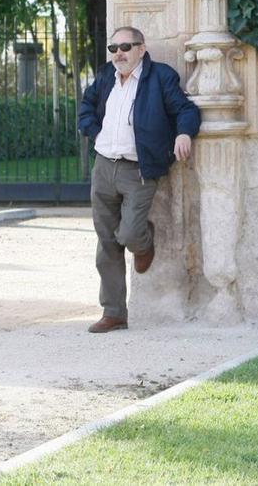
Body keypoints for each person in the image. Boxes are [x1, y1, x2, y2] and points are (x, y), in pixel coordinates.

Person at [77, 26, 200, 334]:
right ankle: (114, 312)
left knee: (129, 233)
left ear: (141, 49)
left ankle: (142, 240)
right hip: (104, 167)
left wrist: (184, 133)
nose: (119, 53)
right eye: (113, 48)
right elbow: (86, 107)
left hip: (139, 169)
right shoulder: (107, 76)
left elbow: (186, 110)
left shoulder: (160, 77)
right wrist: (94, 131)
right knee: (106, 242)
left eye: (126, 47)